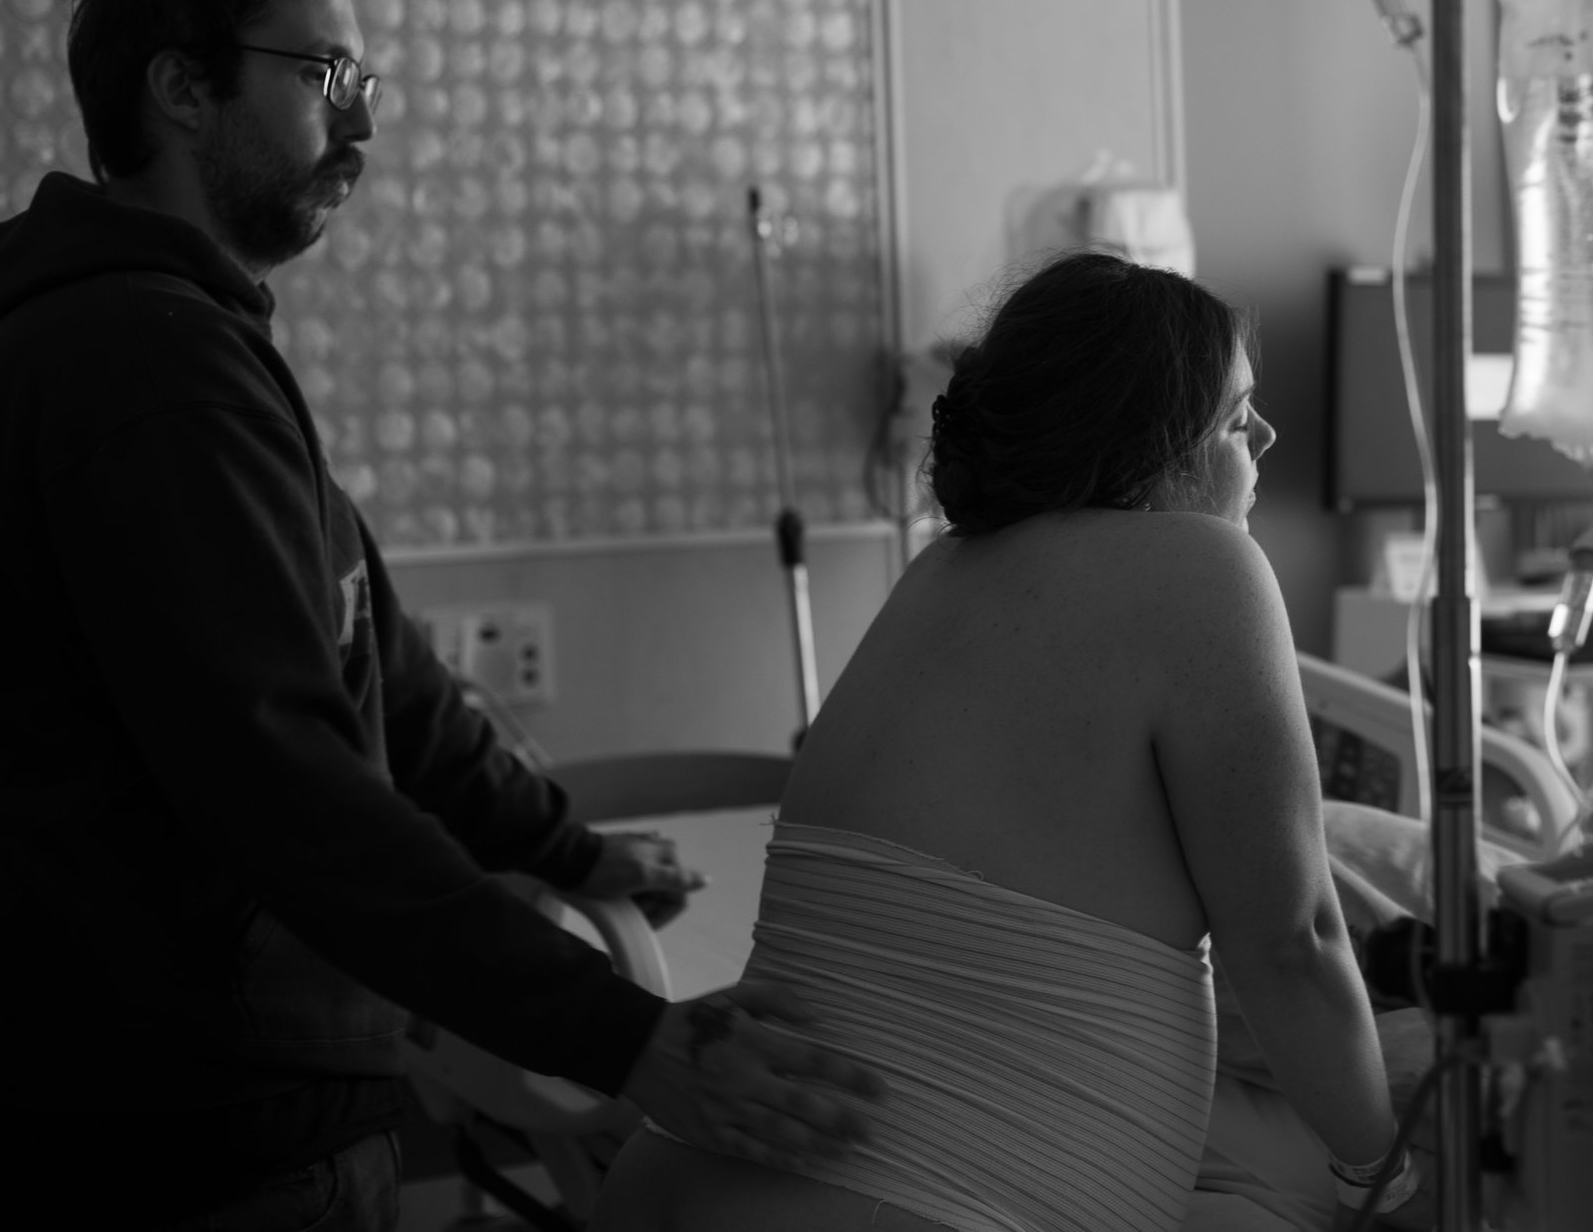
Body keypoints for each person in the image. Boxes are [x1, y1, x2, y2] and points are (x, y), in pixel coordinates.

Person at [0, 0, 876, 1230]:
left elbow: (385, 676)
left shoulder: (183, 341)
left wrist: (566, 847)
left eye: (362, 81)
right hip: (177, 1144)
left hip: (243, 1112)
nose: (359, 124)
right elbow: (286, 782)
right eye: (321, 77)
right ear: (183, 87)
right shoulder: (140, 376)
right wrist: (628, 1039)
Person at [594, 252, 1408, 1231]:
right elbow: (1293, 939)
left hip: (677, 1182)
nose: (1268, 435)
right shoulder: (1204, 568)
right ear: (1155, 439)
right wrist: (1382, 1175)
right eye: (1238, 418)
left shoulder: (941, 574)